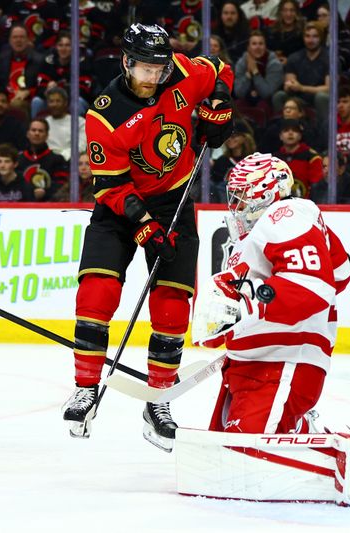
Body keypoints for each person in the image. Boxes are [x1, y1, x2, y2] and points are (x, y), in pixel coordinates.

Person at [61, 23, 234, 451]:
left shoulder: (180, 70)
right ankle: (85, 386)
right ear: (125, 62)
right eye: (144, 69)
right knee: (97, 294)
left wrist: (220, 106)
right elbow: (112, 187)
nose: (153, 78)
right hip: (120, 209)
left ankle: (159, 400)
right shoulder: (105, 113)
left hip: (172, 203)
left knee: (173, 304)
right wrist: (144, 228)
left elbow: (219, 70)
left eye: (158, 69)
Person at [191, 152, 350, 437]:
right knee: (221, 454)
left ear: (267, 194)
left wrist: (246, 307)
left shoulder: (286, 215)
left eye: (243, 195)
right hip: (253, 365)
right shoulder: (254, 236)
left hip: (280, 363)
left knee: (244, 458)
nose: (235, 204)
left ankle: (335, 455)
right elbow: (340, 271)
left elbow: (313, 285)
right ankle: (304, 430)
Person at [273, 119, 323, 199]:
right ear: (280, 136)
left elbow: (317, 188)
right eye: (286, 130)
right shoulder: (274, 160)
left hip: (306, 206)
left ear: (300, 136)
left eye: (295, 130)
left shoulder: (312, 158)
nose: (290, 133)